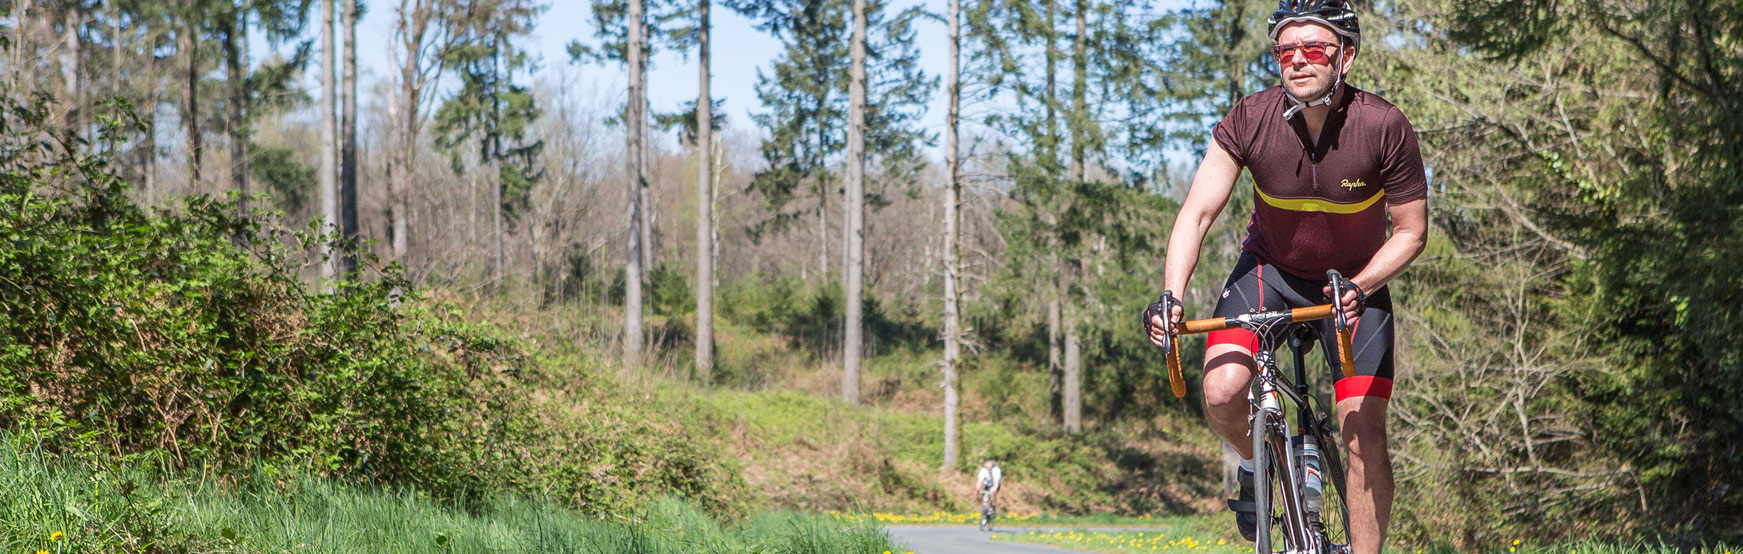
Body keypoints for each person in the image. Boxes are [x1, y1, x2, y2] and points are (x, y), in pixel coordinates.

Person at [1145, 1, 1427, 553]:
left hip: (1354, 285)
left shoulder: (1383, 125)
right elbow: (1197, 212)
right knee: (1223, 390)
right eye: (1285, 50)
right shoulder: (1250, 118)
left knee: (1363, 437)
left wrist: (1363, 285)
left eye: (1313, 48)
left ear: (1345, 56)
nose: (1297, 60)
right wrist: (1171, 296)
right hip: (1267, 271)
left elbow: (1411, 232)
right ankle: (1257, 464)